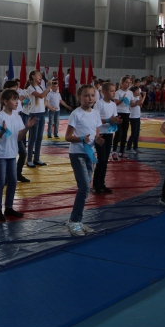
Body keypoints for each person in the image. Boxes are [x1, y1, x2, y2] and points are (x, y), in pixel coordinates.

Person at [64, 85, 103, 237]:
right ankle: (74, 221)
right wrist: (81, 138)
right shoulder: (76, 114)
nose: (90, 98)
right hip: (78, 154)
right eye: (86, 96)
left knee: (86, 189)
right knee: (84, 187)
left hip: (90, 154)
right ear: (79, 98)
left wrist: (98, 140)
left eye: (92, 95)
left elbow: (96, 135)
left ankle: (77, 220)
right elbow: (68, 136)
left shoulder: (96, 114)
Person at [0, 89, 35, 222]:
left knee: (13, 181)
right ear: (5, 101)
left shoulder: (17, 116)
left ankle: (8, 207)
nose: (17, 102)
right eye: (14, 99)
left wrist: (27, 128)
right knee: (0, 181)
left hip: (11, 153)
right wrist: (2, 131)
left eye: (17, 99)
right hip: (0, 154)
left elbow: (19, 138)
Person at [94, 82, 121, 194]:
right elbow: (95, 120)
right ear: (104, 92)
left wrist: (116, 121)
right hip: (100, 134)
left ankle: (102, 183)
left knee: (105, 161)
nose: (114, 93)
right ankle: (96, 185)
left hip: (109, 133)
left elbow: (113, 117)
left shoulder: (113, 104)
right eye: (111, 91)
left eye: (114, 91)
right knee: (101, 159)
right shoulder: (99, 104)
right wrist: (108, 120)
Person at [25, 70, 50, 168]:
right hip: (34, 114)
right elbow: (40, 96)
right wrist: (49, 87)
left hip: (41, 113)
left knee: (39, 137)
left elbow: (43, 98)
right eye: (38, 75)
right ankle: (29, 159)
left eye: (41, 75)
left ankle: (37, 158)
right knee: (33, 138)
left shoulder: (40, 87)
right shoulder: (30, 88)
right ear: (33, 76)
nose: (40, 77)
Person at [112, 76, 132, 159]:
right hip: (119, 113)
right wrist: (122, 99)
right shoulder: (118, 92)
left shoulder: (130, 93)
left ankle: (122, 151)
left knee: (124, 133)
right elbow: (116, 103)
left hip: (127, 113)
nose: (128, 84)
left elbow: (131, 103)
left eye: (129, 82)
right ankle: (114, 151)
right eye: (126, 82)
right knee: (118, 132)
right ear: (122, 83)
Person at [127, 85, 145, 153]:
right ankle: (129, 147)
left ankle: (135, 147)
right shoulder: (131, 98)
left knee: (137, 133)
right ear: (133, 92)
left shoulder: (137, 97)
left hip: (137, 117)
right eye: (137, 91)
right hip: (133, 117)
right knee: (134, 133)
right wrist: (143, 97)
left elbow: (141, 103)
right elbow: (132, 104)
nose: (138, 92)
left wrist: (141, 98)